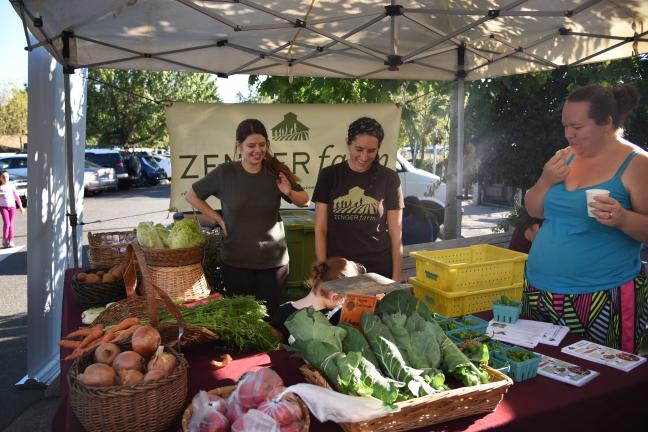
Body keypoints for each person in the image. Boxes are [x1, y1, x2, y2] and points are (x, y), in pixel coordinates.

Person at [523, 84, 648, 353]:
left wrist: (623, 219)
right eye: (565, 126)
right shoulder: (563, 157)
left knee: (602, 383)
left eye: (577, 127)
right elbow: (534, 209)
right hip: (540, 291)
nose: (569, 134)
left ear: (606, 123)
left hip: (602, 297)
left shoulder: (637, 163)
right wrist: (545, 181)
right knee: (542, 379)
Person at [185, 119, 310, 320]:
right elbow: (191, 195)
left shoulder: (275, 171)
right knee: (243, 321)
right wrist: (220, 219)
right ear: (239, 146)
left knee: (271, 320)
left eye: (262, 145)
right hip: (236, 263)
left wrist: (288, 191)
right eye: (251, 145)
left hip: (273, 264)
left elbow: (304, 201)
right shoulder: (225, 173)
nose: (257, 150)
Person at [312, 117, 404, 281]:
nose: (364, 156)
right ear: (348, 143)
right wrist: (321, 270)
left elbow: (396, 233)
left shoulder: (389, 178)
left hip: (378, 271)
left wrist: (396, 279)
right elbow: (320, 229)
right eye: (359, 149)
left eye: (371, 151)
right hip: (338, 270)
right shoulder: (329, 175)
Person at [272, 257, 366, 340]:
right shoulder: (337, 316)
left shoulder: (283, 311)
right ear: (335, 296)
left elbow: (275, 348)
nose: (343, 302)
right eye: (345, 298)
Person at [0, 170, 25, 248]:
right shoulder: (0, 186)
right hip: (3, 207)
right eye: (3, 177)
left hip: (12, 207)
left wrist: (20, 206)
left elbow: (16, 196)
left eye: (7, 176)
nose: (5, 178)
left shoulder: (11, 185)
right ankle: (5, 240)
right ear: (0, 178)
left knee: (10, 224)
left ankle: (11, 240)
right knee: (7, 224)